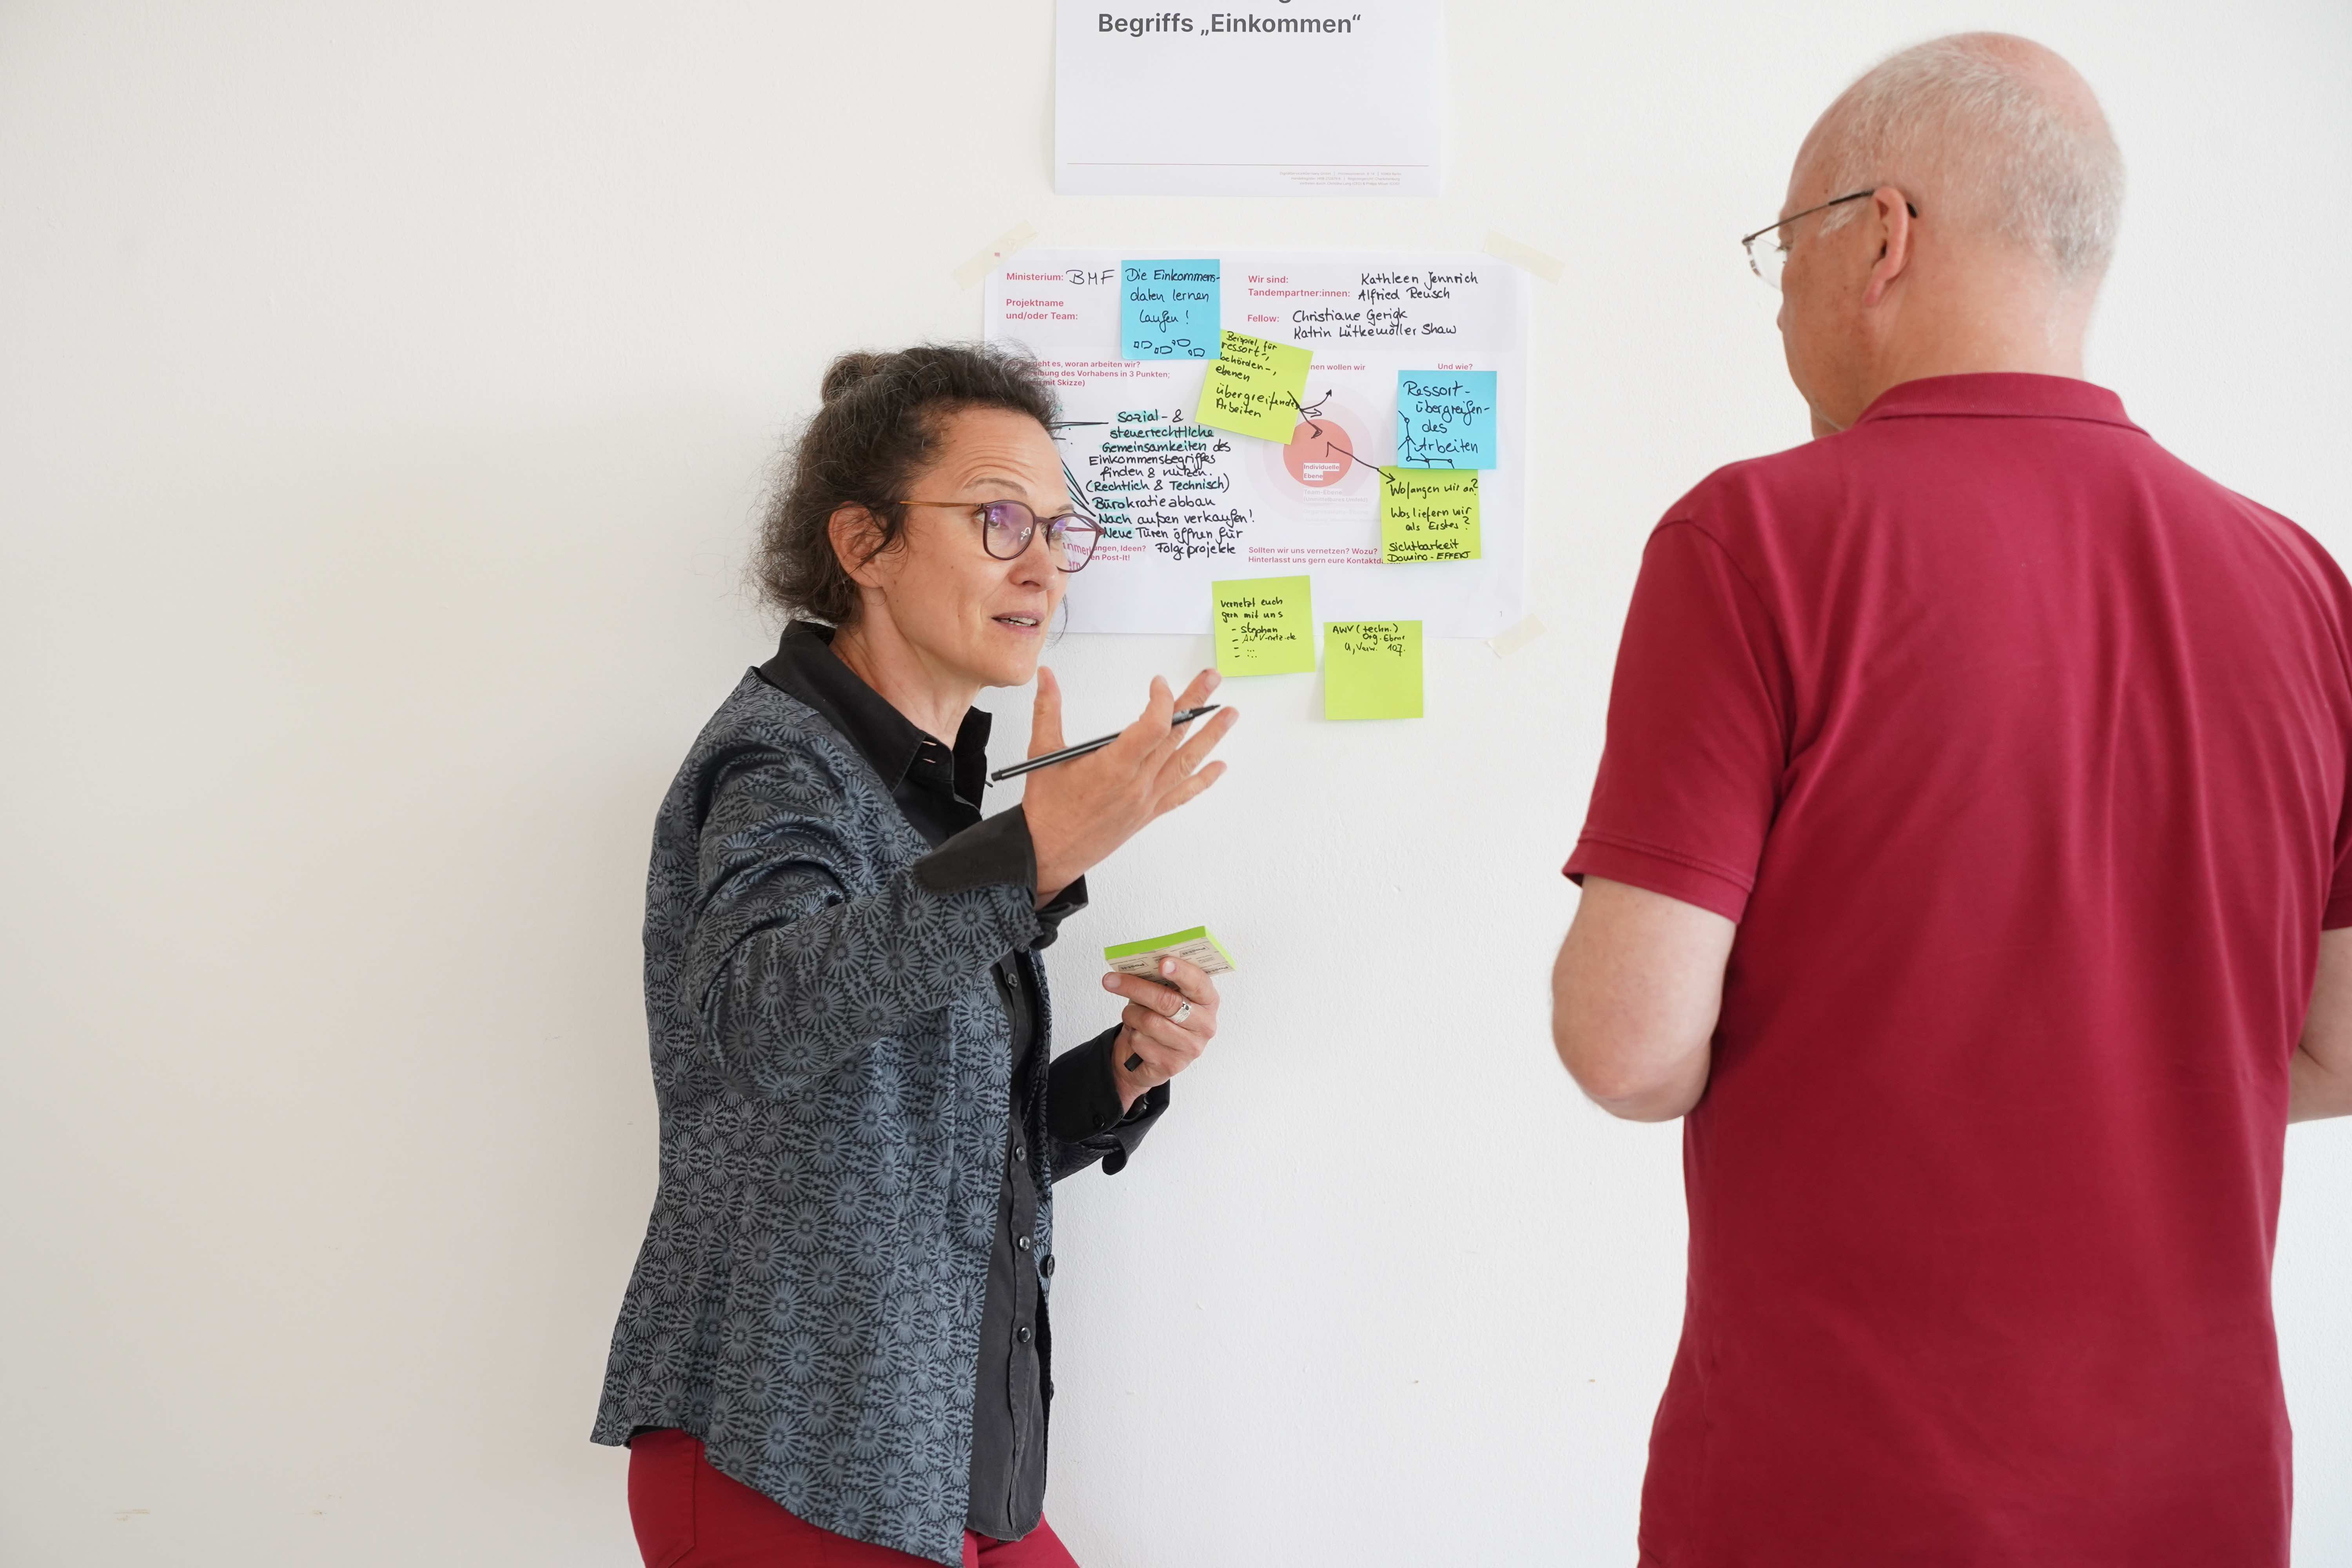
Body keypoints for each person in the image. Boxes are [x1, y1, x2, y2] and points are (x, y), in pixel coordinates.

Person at [1550, 32, 2352, 1568]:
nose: (1781, 295)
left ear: (1883, 235)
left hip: (1838, 1493)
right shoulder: (2303, 582)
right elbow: (2337, 1039)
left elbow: (1632, 1042)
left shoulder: (1754, 542)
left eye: (1784, 247)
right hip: (2200, 1497)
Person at [591, 344, 1241, 1568]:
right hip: (790, 1459)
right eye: (1000, 520)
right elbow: (760, 1019)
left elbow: (921, 1155)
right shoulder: (778, 760)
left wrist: (1117, 1077)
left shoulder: (933, 802)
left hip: (946, 1451)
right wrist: (1029, 856)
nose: (1044, 565)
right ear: (866, 546)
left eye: (1059, 527)